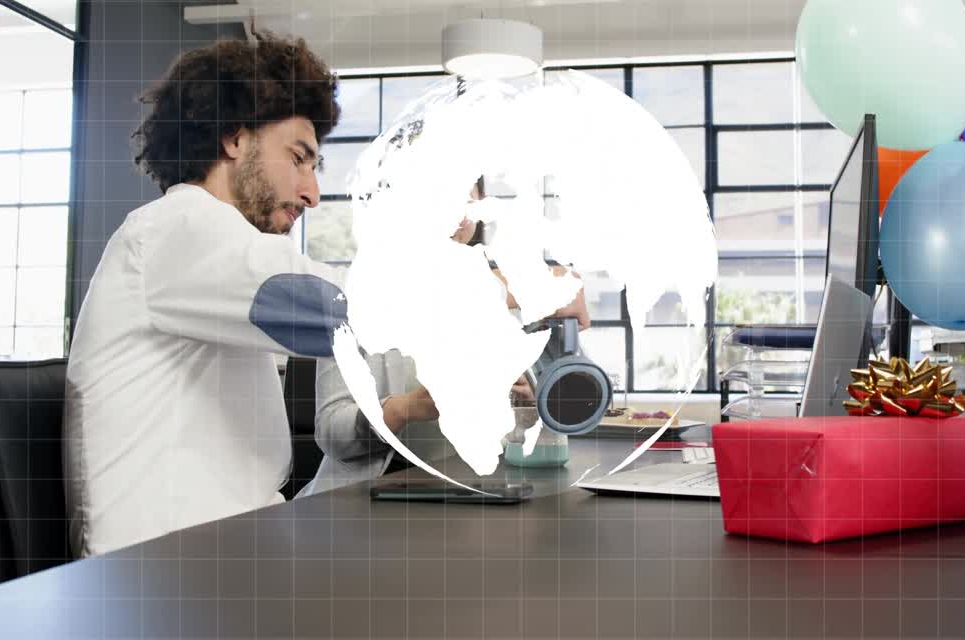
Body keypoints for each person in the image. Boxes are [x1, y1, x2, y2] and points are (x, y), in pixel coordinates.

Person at [63, 32, 346, 556]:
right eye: (298, 158)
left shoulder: (212, 248)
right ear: (235, 139)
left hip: (225, 554)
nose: (312, 192)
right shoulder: (181, 227)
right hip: (167, 578)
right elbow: (327, 308)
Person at [306, 182, 589, 495]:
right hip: (367, 500)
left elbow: (532, 421)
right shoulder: (352, 299)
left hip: (470, 493)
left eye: (467, 200)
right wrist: (406, 408)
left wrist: (529, 407)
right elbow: (332, 432)